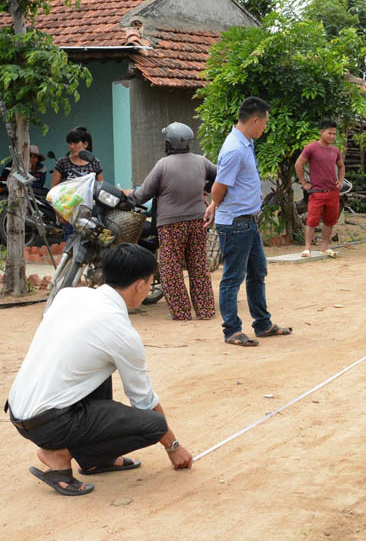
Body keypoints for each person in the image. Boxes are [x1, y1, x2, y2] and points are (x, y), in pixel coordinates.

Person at [5, 243, 193, 496]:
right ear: (140, 285)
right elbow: (143, 401)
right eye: (149, 283)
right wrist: (173, 446)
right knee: (154, 424)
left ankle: (99, 460)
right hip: (48, 422)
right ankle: (59, 455)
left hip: (20, 411)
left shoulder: (69, 295)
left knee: (97, 364)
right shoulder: (121, 332)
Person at [203, 97, 292, 347]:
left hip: (248, 221)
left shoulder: (246, 143)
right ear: (254, 120)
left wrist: (215, 204)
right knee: (233, 276)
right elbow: (220, 185)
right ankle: (231, 330)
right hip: (236, 223)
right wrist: (215, 204)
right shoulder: (234, 148)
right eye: (264, 123)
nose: (265, 128)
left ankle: (262, 324)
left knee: (257, 272)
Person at [129, 122, 217, 321]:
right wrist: (206, 190)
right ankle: (205, 311)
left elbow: (143, 194)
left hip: (171, 224)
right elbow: (221, 175)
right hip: (197, 220)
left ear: (169, 142)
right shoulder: (201, 161)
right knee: (198, 265)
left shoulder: (163, 164)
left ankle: (181, 312)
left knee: (171, 267)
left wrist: (129, 195)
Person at [294, 119, 345, 259]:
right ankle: (307, 248)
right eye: (329, 133)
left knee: (330, 221)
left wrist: (340, 181)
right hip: (317, 192)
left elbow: (341, 166)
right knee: (312, 220)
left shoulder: (335, 150)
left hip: (333, 192)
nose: (332, 137)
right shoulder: (311, 148)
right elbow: (298, 164)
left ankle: (324, 247)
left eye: (334, 134)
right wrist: (304, 183)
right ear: (322, 132)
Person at [51, 126, 103, 239]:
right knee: (71, 245)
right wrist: (59, 214)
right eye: (69, 143)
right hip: (68, 214)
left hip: (89, 215)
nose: (71, 146)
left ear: (85, 144)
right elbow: (53, 191)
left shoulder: (95, 163)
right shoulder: (62, 163)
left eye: (75, 143)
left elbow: (100, 188)